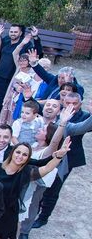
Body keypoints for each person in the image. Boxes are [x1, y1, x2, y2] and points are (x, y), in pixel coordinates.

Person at [0, 138, 71, 239]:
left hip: (7, 212)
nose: (20, 156)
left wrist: (59, 156)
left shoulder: (27, 173)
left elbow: (47, 168)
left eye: (25, 155)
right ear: (12, 153)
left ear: (27, 158)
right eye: (18, 152)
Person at [34, 92, 92, 229]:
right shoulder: (37, 120)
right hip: (35, 162)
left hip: (58, 164)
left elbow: (84, 127)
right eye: (67, 103)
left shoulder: (67, 125)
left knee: (51, 192)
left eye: (74, 104)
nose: (70, 107)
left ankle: (43, 218)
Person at [0, 19, 41, 131]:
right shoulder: (6, 40)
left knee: (2, 102)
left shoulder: (25, 44)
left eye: (15, 32)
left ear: (20, 33)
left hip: (10, 79)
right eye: (11, 31)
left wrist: (36, 37)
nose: (13, 33)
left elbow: (37, 53)